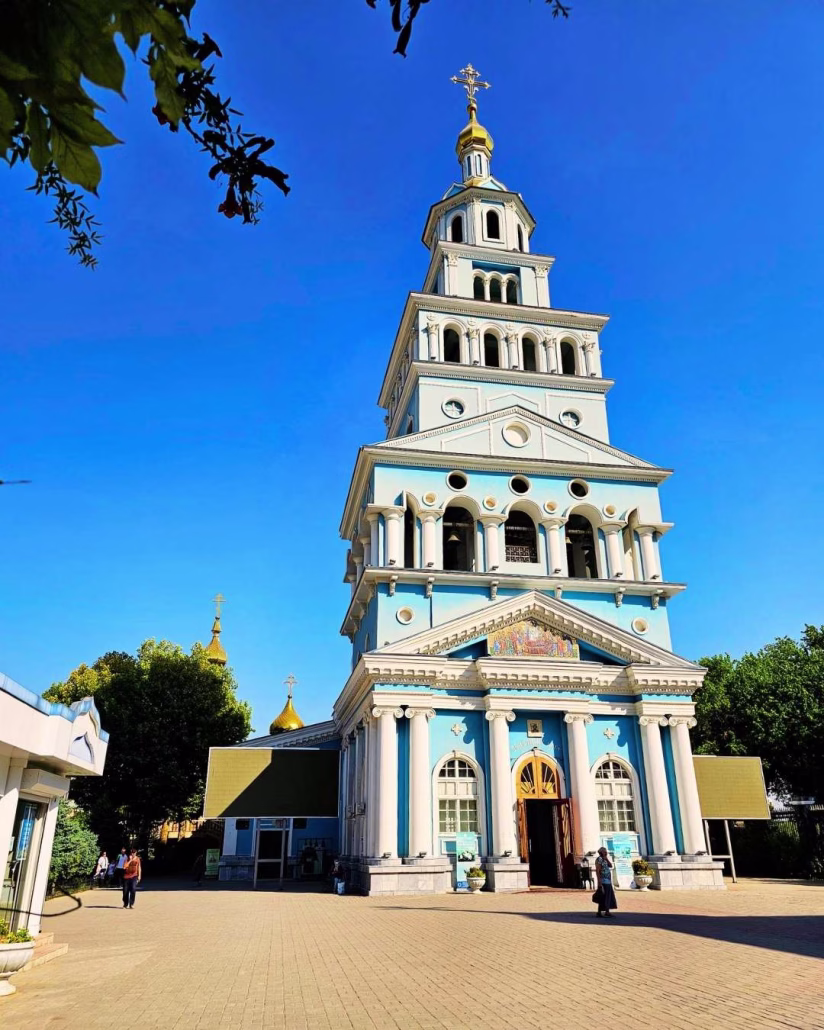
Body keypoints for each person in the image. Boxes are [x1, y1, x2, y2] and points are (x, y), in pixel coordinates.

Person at [594, 847, 618, 918]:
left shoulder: (604, 859)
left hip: (608, 880)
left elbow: (610, 865)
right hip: (603, 880)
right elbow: (598, 871)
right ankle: (605, 912)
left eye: (606, 852)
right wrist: (599, 882)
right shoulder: (599, 859)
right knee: (604, 896)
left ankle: (601, 912)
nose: (606, 852)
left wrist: (606, 858)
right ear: (601, 852)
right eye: (605, 852)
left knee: (607, 896)